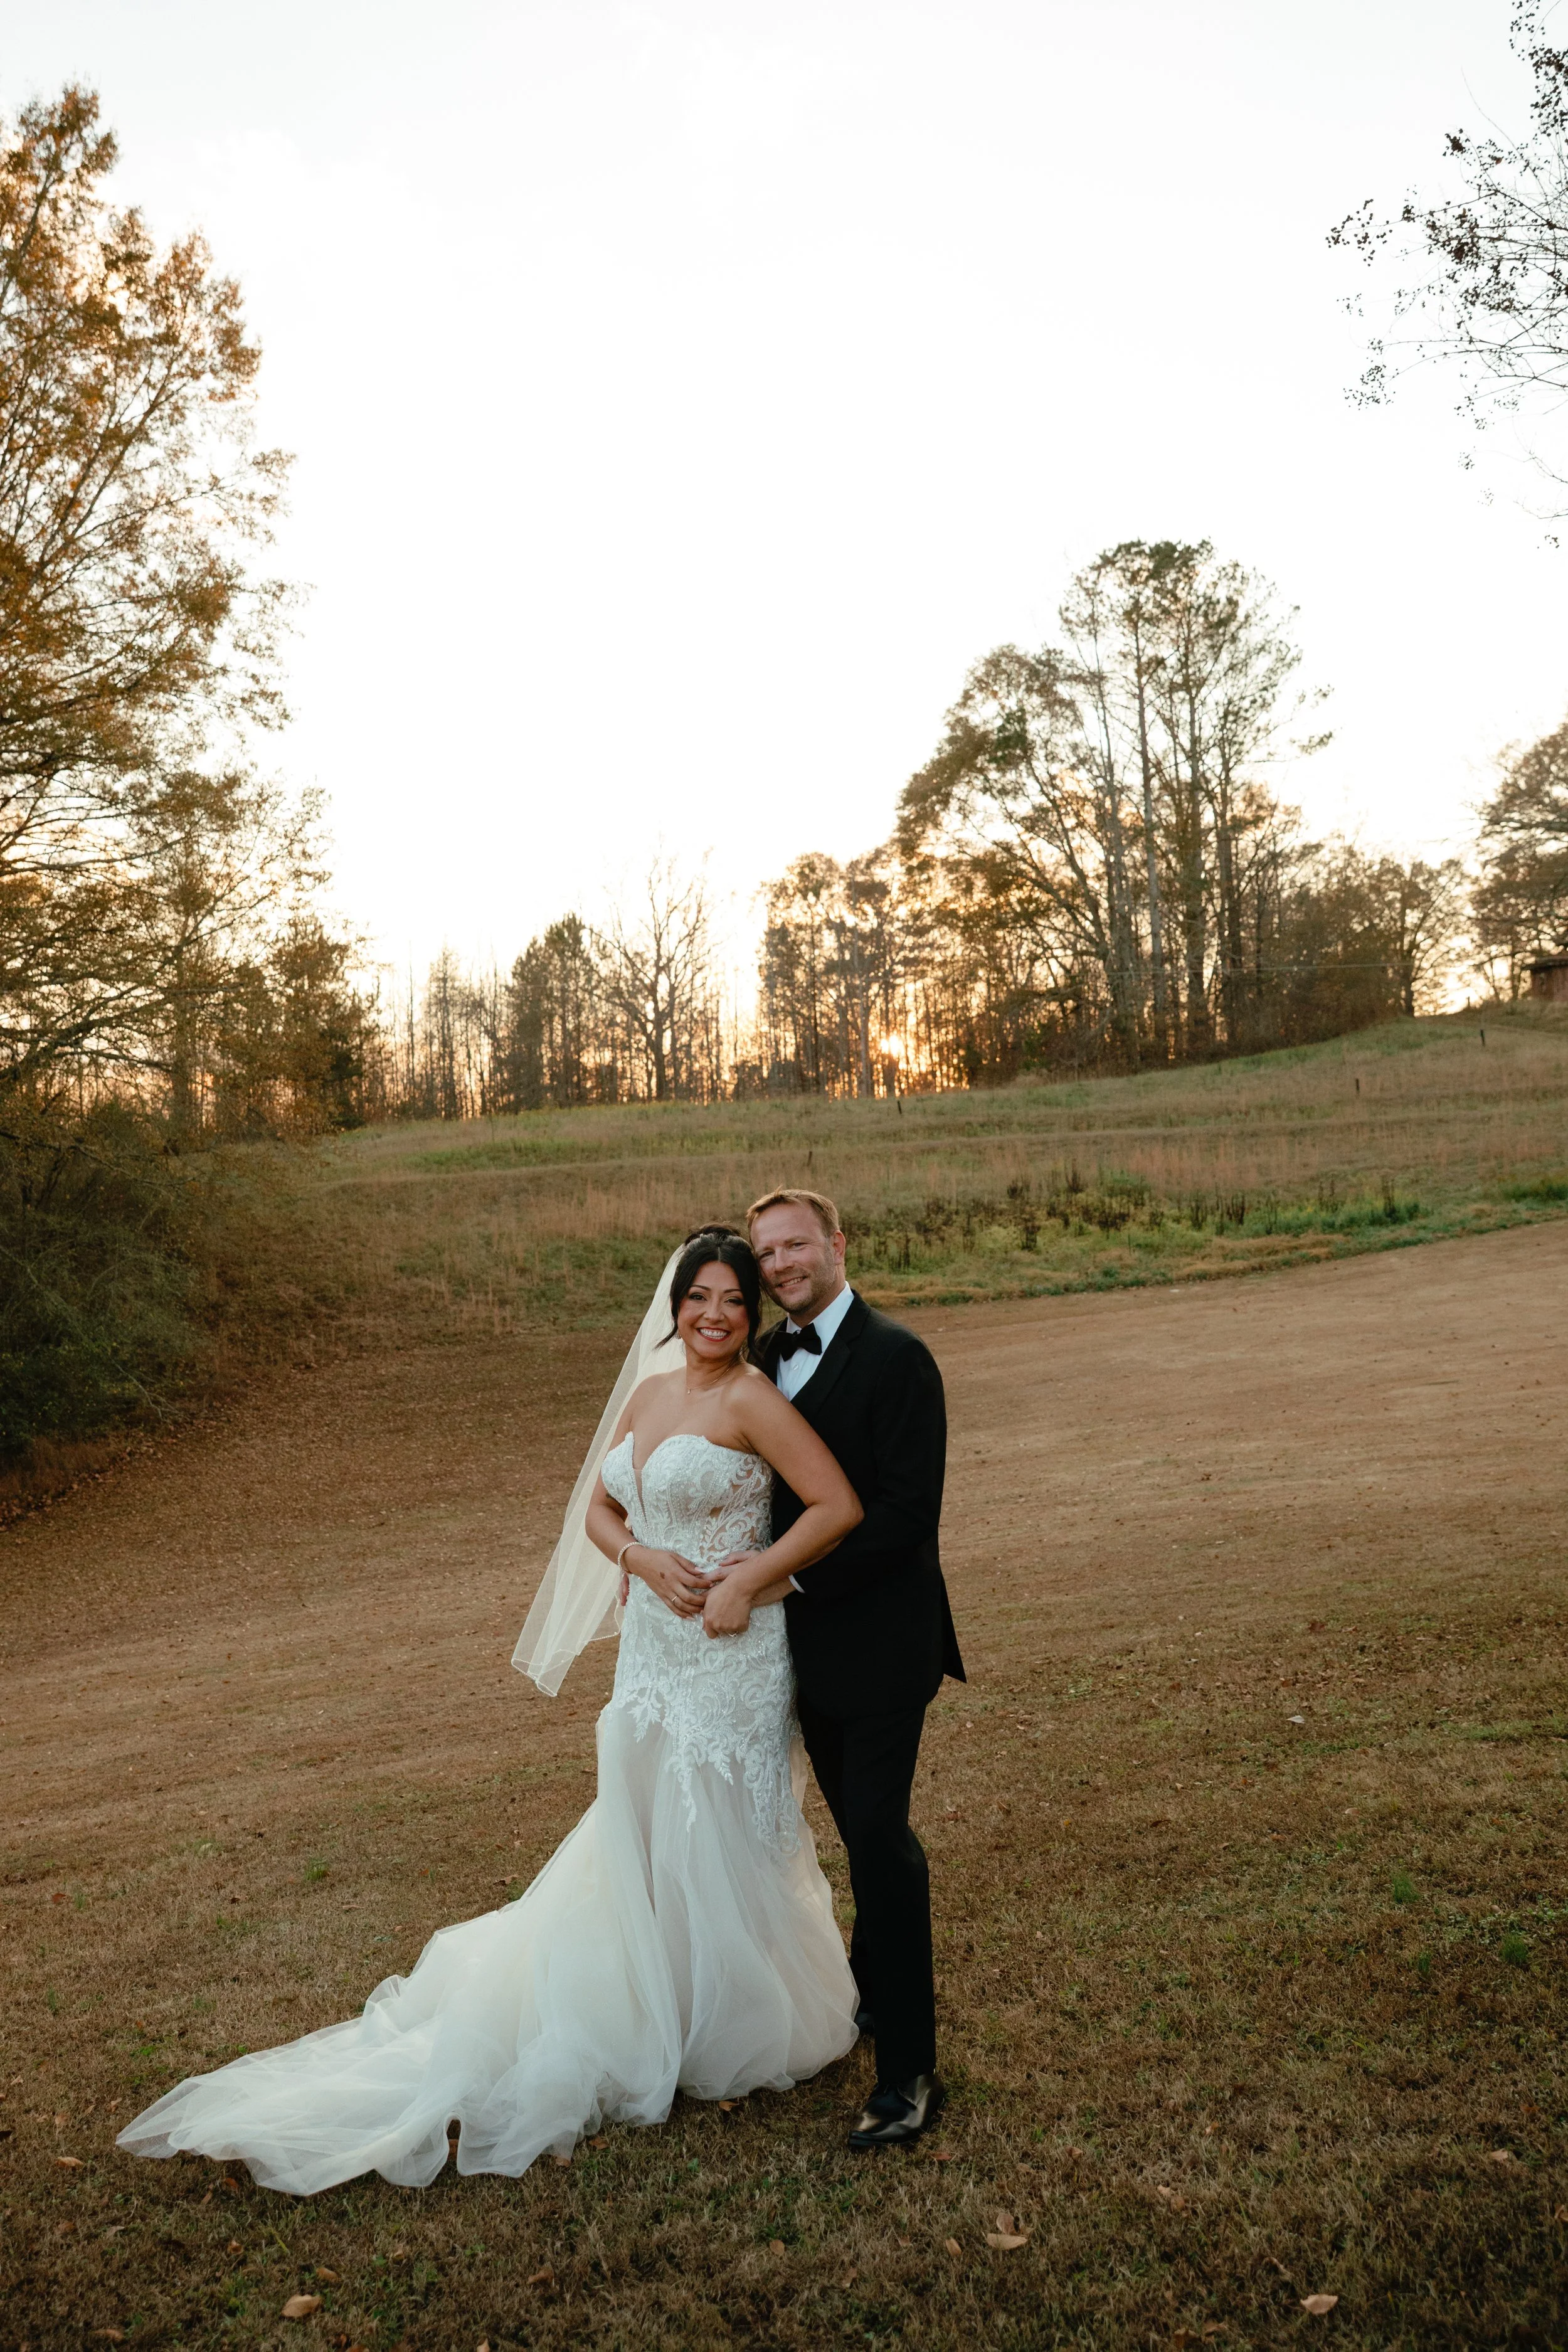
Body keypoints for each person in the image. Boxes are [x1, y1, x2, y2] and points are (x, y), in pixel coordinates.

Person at [117, 1229, 864, 2195]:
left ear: (752, 1316)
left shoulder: (751, 1399)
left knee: (711, 1833)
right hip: (649, 1656)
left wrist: (748, 1579)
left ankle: (721, 2013)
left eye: (732, 1301)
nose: (714, 1315)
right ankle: (649, 2000)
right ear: (674, 1305)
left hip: (730, 1654)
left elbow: (834, 1503)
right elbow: (597, 1508)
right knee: (639, 1834)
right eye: (699, 1297)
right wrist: (639, 1560)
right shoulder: (649, 1392)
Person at [704, 1189, 964, 2150]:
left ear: (837, 1244)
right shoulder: (765, 1360)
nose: (778, 1265)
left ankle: (907, 2071)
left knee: (879, 1835)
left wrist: (782, 1583)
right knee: (853, 1829)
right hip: (802, 1658)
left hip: (888, 1646)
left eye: (794, 1245)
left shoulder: (900, 1359)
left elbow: (903, 1519)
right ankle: (864, 1999)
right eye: (766, 1252)